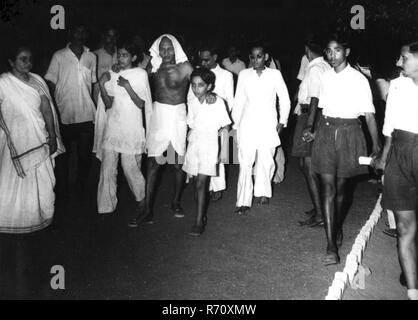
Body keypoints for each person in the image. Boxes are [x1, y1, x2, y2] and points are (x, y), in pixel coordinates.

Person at [304, 34, 381, 265]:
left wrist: (376, 146)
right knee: (328, 188)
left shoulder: (359, 79)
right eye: (328, 51)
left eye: (337, 50)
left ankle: (335, 225)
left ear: (346, 52)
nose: (332, 55)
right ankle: (330, 245)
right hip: (327, 132)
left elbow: (369, 115)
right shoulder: (325, 77)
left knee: (340, 190)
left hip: (350, 134)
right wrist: (314, 130)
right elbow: (323, 109)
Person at [139, 34, 215, 225]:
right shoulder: (153, 66)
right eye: (162, 48)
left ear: (176, 49)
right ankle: (148, 208)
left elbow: (202, 79)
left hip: (178, 115)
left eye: (169, 48)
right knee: (153, 162)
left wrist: (210, 93)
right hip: (158, 114)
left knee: (177, 162)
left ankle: (175, 201)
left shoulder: (185, 67)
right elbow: (134, 75)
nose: (166, 52)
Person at [0, 46, 64, 233]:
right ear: (11, 62)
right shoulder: (4, 83)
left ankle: (41, 218)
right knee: (13, 184)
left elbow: (47, 110)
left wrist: (52, 136)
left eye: (30, 59)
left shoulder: (37, 80)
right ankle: (10, 221)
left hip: (40, 138)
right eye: (23, 59)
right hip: (14, 142)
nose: (28, 63)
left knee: (43, 180)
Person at [373, 41, 418, 300]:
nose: (398, 63)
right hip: (400, 154)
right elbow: (389, 126)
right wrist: (383, 159)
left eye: (404, 58)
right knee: (404, 227)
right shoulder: (398, 85)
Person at [95, 42, 152, 219]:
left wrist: (128, 86)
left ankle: (143, 200)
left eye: (125, 55)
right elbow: (109, 104)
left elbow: (141, 103)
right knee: (107, 168)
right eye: (119, 54)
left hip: (130, 127)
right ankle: (105, 207)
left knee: (130, 167)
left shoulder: (140, 74)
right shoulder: (112, 73)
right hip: (113, 126)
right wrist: (102, 85)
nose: (121, 58)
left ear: (134, 57)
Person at [232, 43, 291, 214]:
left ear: (265, 57)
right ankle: (243, 201)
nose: (255, 59)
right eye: (252, 56)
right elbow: (239, 101)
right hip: (247, 124)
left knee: (266, 160)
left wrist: (282, 121)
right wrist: (235, 124)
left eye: (259, 56)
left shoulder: (274, 75)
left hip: (268, 124)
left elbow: (285, 99)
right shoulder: (244, 74)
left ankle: (263, 192)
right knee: (245, 162)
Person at [45, 24, 97, 204]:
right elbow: (50, 82)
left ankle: (81, 187)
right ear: (70, 33)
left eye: (83, 31)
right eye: (77, 30)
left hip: (86, 113)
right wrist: (51, 109)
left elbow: (93, 84)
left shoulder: (91, 56)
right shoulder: (59, 55)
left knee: (84, 154)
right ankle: (63, 189)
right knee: (63, 155)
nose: (80, 34)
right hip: (63, 112)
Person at [183, 68, 231, 236]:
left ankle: (198, 221)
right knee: (195, 183)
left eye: (201, 85)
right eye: (194, 85)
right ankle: (200, 215)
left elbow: (226, 127)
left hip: (210, 145)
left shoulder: (217, 102)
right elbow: (191, 124)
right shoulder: (192, 101)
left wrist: (223, 153)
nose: (196, 89)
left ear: (209, 86)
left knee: (201, 183)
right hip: (194, 144)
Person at [293, 37, 331, 227]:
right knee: (306, 164)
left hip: (311, 115)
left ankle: (320, 214)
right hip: (313, 115)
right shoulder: (324, 65)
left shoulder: (315, 69)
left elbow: (315, 98)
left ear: (307, 50)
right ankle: (319, 207)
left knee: (308, 165)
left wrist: (309, 125)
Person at [189, 44, 234, 201]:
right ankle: (204, 188)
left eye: (207, 60)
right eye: (201, 59)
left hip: (219, 117)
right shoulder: (197, 74)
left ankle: (216, 188)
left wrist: (213, 96)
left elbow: (230, 100)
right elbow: (192, 95)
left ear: (215, 57)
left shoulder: (226, 75)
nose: (204, 63)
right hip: (200, 117)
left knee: (217, 157)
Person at [93, 27, 118, 103]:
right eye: (109, 36)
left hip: (117, 97)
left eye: (114, 36)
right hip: (99, 98)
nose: (112, 39)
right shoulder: (95, 55)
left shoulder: (122, 55)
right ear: (104, 37)